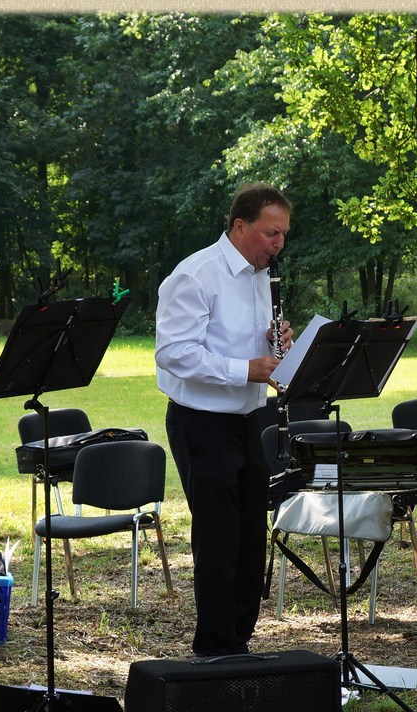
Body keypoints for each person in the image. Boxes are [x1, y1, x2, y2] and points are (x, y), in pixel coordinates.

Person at [155, 182, 292, 657]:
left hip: (248, 418)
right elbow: (174, 353)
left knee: (252, 536)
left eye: (283, 235)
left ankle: (239, 640)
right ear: (240, 226)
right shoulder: (196, 274)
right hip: (201, 422)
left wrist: (276, 342)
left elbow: (247, 343)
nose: (278, 245)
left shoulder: (259, 275)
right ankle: (214, 648)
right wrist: (247, 369)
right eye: (271, 233)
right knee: (219, 540)